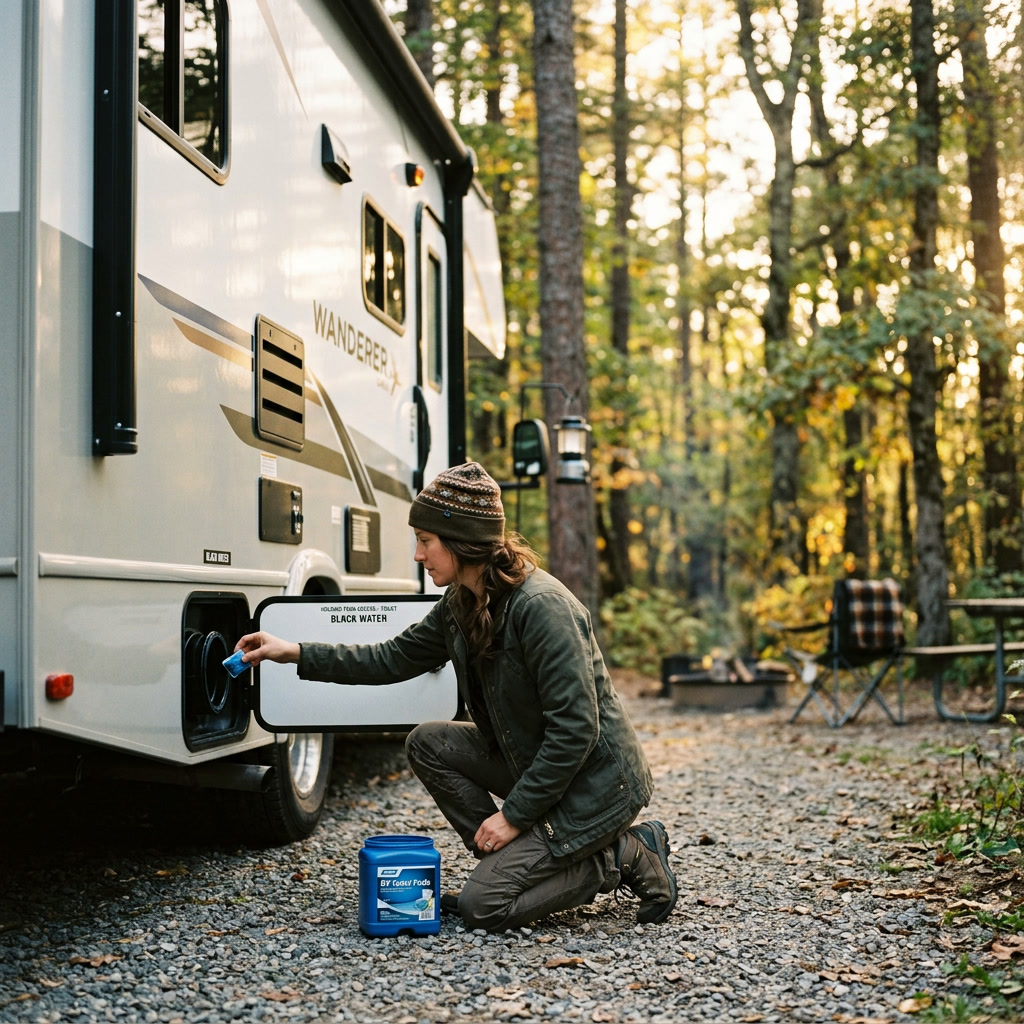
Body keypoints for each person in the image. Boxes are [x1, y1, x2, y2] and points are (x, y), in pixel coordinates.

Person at [235, 461, 677, 932]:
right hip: (541, 768)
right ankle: (518, 865)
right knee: (428, 742)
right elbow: (392, 658)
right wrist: (293, 652)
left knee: (483, 908)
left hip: (597, 786)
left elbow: (576, 731)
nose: (418, 555)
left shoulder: (542, 608)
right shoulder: (459, 602)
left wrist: (512, 815)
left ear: (463, 542)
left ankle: (624, 853)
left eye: (426, 541)